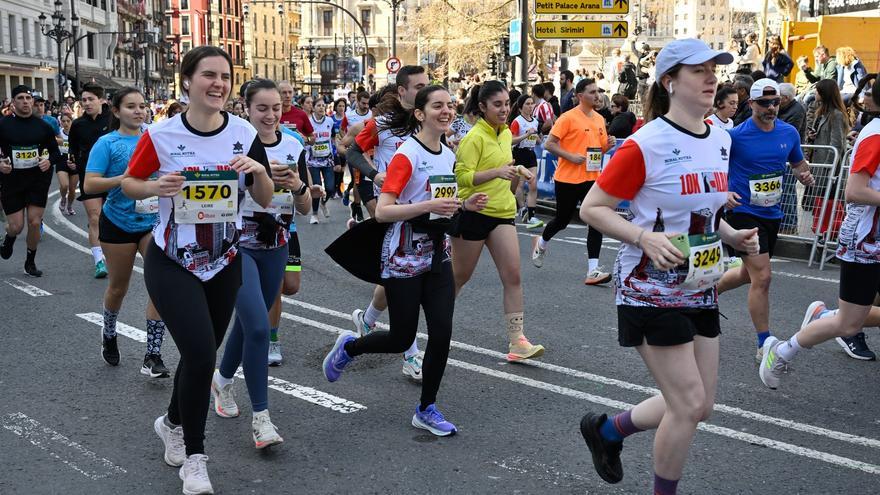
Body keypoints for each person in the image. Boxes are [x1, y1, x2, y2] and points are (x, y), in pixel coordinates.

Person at [579, 38, 758, 495]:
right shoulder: (646, 144)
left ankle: (609, 430)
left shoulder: (720, 136)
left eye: (713, 69)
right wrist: (643, 236)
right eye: (698, 70)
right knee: (687, 403)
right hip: (648, 287)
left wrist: (730, 234)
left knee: (702, 406)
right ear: (669, 81)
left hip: (700, 283)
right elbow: (592, 207)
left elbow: (702, 212)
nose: (711, 77)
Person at [122, 46, 274, 495]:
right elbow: (131, 186)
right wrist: (155, 185)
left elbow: (264, 197)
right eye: (209, 75)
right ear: (187, 81)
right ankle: (195, 458)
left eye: (225, 77)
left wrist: (256, 170)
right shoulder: (162, 134)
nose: (219, 84)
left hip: (225, 262)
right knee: (203, 354)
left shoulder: (243, 132)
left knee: (197, 353)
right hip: (172, 261)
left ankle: (171, 422)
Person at [323, 85, 489, 436]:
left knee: (442, 334)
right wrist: (430, 206)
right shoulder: (406, 155)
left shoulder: (447, 154)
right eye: (437, 106)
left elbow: (442, 206)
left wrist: (464, 205)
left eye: (450, 105)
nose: (446, 111)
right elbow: (384, 211)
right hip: (403, 257)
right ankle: (350, 346)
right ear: (420, 113)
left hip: (437, 257)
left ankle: (426, 408)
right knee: (401, 338)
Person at [760, 77, 880, 388]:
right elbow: (854, 191)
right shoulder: (875, 135)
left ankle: (824, 316)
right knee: (848, 322)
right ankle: (783, 351)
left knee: (854, 316)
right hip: (864, 242)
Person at [212, 78, 312, 447]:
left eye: (276, 108)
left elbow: (304, 207)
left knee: (249, 322)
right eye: (262, 109)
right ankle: (261, 418)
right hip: (237, 243)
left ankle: (222, 380)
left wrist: (299, 186)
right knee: (257, 327)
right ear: (246, 108)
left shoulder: (293, 144)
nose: (271, 116)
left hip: (278, 243)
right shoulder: (230, 142)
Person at [716, 78, 815, 363]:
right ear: (752, 104)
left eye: (775, 103)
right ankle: (765, 343)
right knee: (763, 276)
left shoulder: (789, 132)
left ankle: (708, 293)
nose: (771, 108)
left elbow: (798, 165)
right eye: (764, 103)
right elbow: (714, 168)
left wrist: (804, 175)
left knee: (749, 274)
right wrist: (724, 191)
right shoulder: (735, 136)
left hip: (772, 212)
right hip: (743, 212)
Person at [450, 81, 545, 361]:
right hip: (474, 213)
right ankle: (435, 325)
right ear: (482, 107)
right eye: (497, 105)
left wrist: (517, 170)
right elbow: (462, 178)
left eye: (506, 104)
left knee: (513, 276)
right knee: (459, 278)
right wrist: (496, 173)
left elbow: (502, 166)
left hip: (502, 213)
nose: (504, 109)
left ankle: (517, 341)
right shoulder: (473, 138)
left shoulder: (505, 134)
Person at [348, 66, 430, 378]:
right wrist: (374, 174)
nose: (425, 90)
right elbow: (352, 151)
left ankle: (367, 320)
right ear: (402, 92)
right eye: (419, 86)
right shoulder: (381, 124)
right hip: (391, 208)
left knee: (399, 276)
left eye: (428, 85)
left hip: (422, 209)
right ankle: (410, 354)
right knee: (404, 276)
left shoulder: (430, 123)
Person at [82, 87, 168, 376]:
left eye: (142, 106)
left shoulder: (157, 138)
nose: (139, 111)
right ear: (116, 111)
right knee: (119, 287)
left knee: (160, 284)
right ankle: (108, 332)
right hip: (117, 222)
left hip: (153, 223)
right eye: (131, 106)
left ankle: (152, 355)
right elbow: (90, 185)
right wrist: (126, 179)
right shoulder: (107, 143)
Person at [531, 78, 617, 285]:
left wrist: (608, 146)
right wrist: (569, 156)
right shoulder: (568, 118)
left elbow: (596, 150)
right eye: (592, 92)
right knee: (562, 220)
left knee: (595, 221)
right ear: (580, 96)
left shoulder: (599, 119)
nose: (597, 96)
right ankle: (542, 242)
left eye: (598, 91)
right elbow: (550, 145)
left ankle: (593, 270)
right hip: (568, 178)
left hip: (592, 178)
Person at [0, 85, 65, 277]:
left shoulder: (43, 126)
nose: (26, 102)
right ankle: (9, 239)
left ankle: (30, 261)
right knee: (16, 226)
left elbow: (55, 152)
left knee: (35, 222)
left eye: (29, 98)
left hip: (37, 180)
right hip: (11, 180)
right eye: (20, 98)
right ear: (13, 103)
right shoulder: (3, 125)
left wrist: (48, 161)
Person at [69, 83, 112, 278]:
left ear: (102, 100)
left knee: (109, 219)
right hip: (90, 178)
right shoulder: (78, 125)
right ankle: (99, 262)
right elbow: (73, 150)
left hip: (114, 177)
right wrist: (74, 165)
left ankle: (112, 253)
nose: (86, 103)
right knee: (94, 217)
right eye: (83, 100)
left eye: (90, 99)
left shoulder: (114, 120)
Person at [508, 93, 543, 228]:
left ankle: (531, 216)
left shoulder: (535, 121)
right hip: (519, 154)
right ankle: (522, 208)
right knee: (518, 186)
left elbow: (537, 139)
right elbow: (511, 140)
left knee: (533, 184)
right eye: (527, 104)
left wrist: (539, 139)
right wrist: (526, 135)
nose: (530, 106)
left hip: (531, 154)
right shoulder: (517, 121)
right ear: (521, 107)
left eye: (531, 103)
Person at [306, 98, 335, 224]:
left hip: (327, 159)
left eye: (323, 105)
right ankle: (315, 214)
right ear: (313, 107)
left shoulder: (329, 121)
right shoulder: (308, 121)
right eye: (318, 105)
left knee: (330, 188)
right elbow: (305, 137)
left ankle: (324, 203)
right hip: (313, 161)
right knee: (317, 188)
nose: (321, 108)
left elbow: (333, 138)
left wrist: (336, 155)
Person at [55, 113, 78, 215]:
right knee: (64, 185)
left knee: (72, 189)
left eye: (68, 121)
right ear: (60, 122)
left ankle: (69, 206)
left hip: (74, 160)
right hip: (62, 159)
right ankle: (63, 198)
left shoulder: (77, 133)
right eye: (63, 121)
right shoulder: (59, 133)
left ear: (72, 122)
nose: (66, 123)